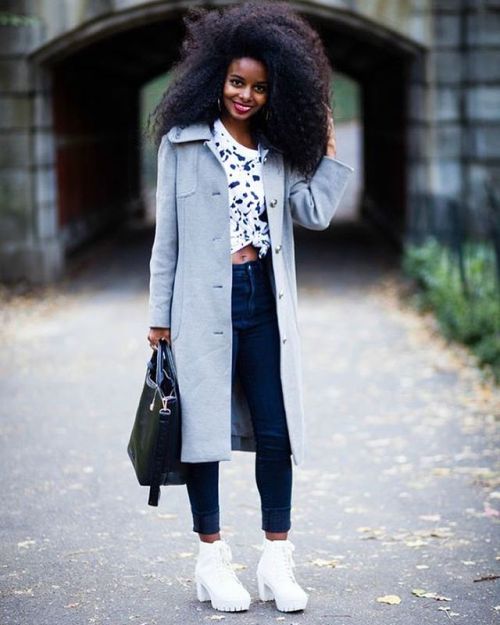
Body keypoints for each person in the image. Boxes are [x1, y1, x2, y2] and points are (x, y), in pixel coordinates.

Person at [145, 0, 353, 614]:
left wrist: (327, 140)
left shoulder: (278, 150)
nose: (246, 95)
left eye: (260, 88)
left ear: (274, 93)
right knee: (202, 433)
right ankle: (212, 561)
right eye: (237, 82)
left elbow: (313, 213)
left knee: (276, 430)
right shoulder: (181, 145)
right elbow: (167, 241)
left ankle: (276, 560)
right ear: (216, 78)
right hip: (198, 306)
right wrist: (159, 318)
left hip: (264, 297)